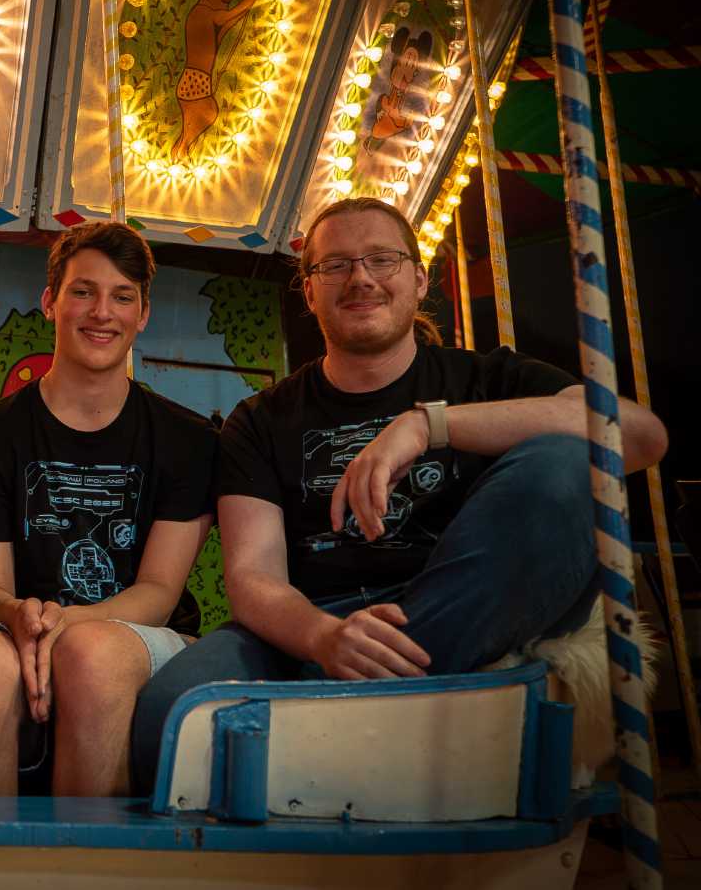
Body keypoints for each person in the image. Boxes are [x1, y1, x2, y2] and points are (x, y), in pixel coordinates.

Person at [128, 196, 670, 791]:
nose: (360, 278)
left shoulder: (488, 379)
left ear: (418, 279)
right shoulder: (260, 420)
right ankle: (370, 700)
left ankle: (335, 706)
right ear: (309, 292)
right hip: (318, 621)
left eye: (381, 259)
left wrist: (429, 425)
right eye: (335, 265)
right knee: (167, 715)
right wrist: (324, 638)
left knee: (567, 461)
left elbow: (639, 434)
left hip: (462, 601)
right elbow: (254, 576)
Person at [0, 222, 217, 797]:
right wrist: (22, 617)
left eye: (122, 297)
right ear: (50, 302)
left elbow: (159, 593)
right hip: (19, 623)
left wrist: (65, 625)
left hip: (146, 635)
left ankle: (87, 849)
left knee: (92, 654)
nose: (101, 313)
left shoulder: (189, 442)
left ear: (143, 314)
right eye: (83, 292)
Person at [171, 0, 266, 160]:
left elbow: (234, 18)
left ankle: (180, 154)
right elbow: (236, 12)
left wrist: (249, 0)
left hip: (197, 83)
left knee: (194, 127)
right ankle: (180, 154)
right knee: (206, 113)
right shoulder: (204, 12)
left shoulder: (213, 14)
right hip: (194, 83)